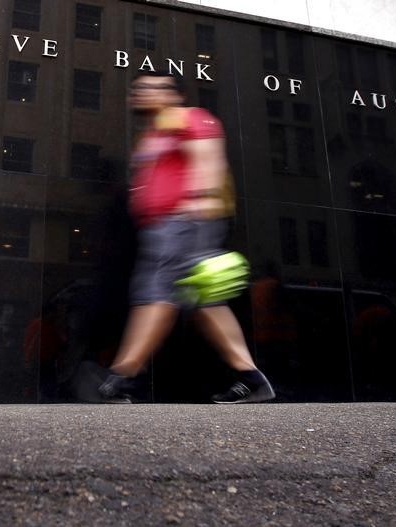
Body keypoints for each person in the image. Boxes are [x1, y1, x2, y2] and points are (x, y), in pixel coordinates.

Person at [98, 71, 275, 404]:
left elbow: (209, 158)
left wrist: (203, 205)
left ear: (173, 93)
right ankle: (251, 378)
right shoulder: (153, 134)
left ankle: (123, 376)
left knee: (156, 292)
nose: (141, 93)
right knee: (205, 302)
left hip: (184, 221)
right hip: (164, 226)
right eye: (138, 88)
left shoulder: (191, 118)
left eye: (151, 88)